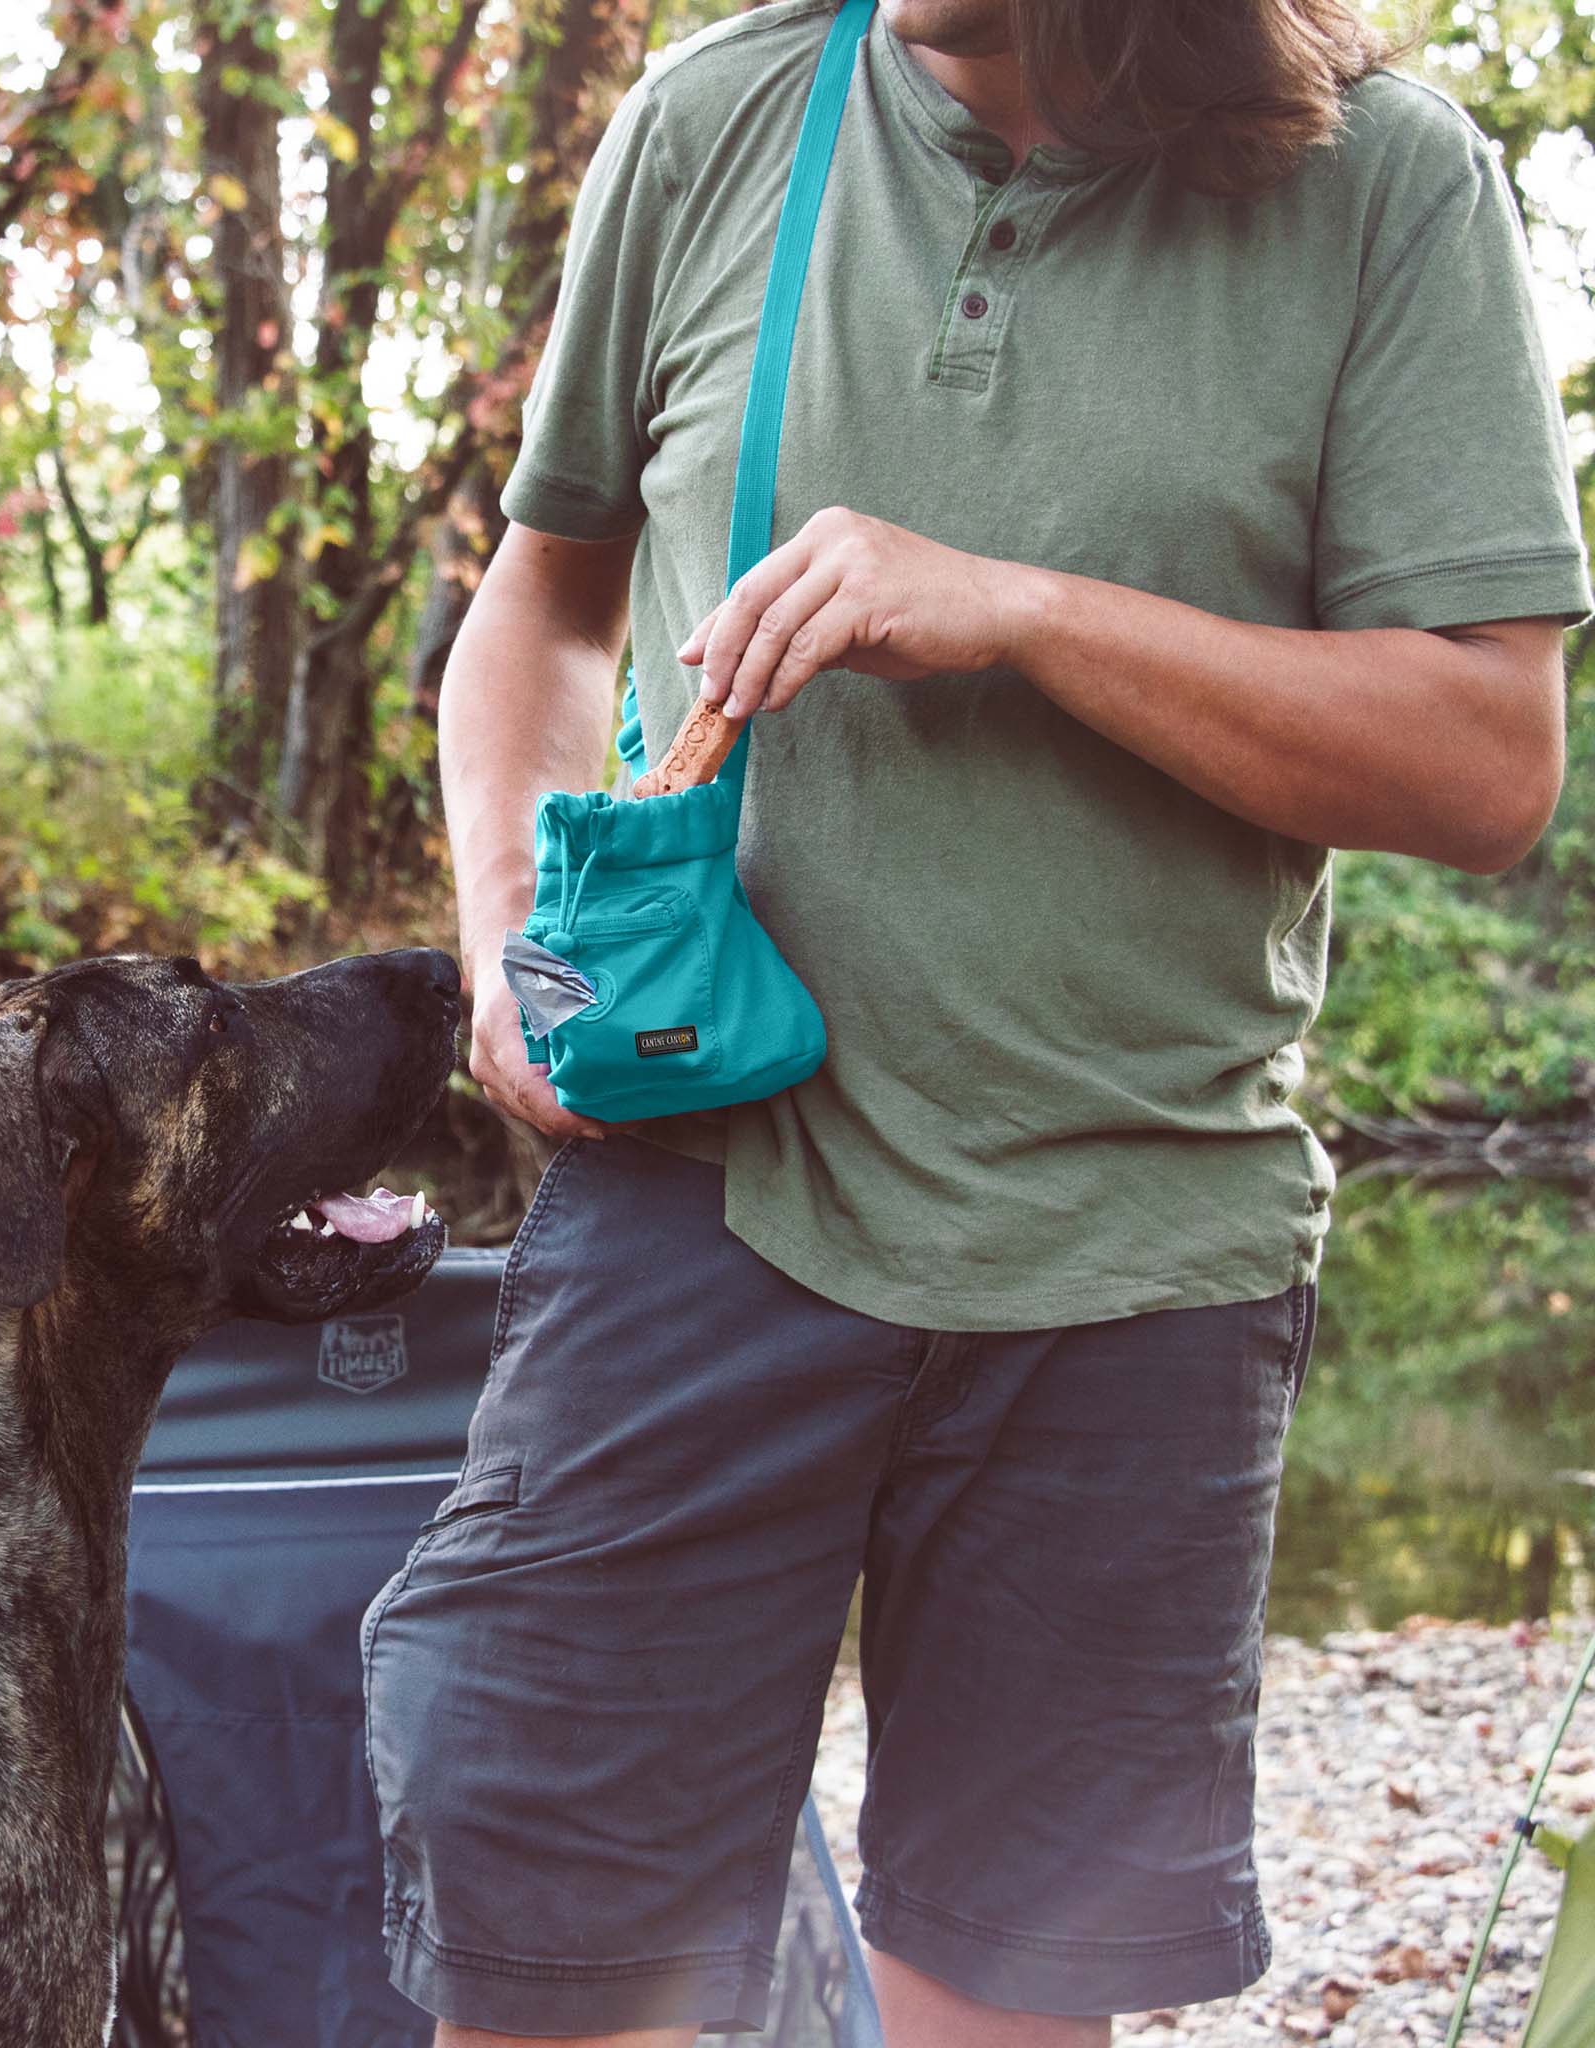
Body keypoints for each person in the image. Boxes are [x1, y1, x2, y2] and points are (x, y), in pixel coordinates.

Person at [360, 0, 1592, 2041]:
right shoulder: (714, 120)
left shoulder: (1392, 185)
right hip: (689, 1203)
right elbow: (545, 601)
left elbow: (1485, 763)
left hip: (1132, 1252)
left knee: (1004, 2006)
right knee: (552, 1988)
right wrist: (505, 944)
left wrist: (1025, 611)